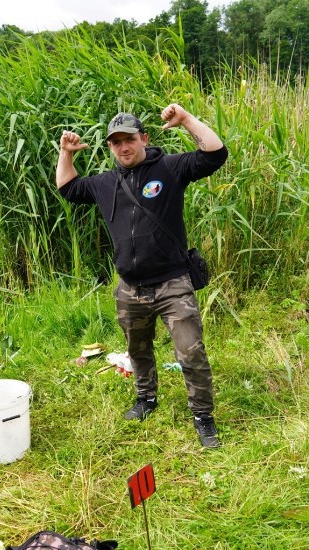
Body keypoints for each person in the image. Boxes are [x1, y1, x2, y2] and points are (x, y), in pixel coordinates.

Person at [56, 104, 228, 448]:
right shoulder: (105, 183)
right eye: (116, 142)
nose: (124, 147)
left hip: (173, 283)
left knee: (190, 352)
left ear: (144, 138)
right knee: (138, 349)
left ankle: (203, 418)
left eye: (130, 139)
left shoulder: (169, 167)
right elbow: (68, 188)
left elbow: (215, 154)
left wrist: (187, 121)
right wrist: (66, 153)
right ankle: (146, 399)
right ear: (110, 147)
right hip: (129, 288)